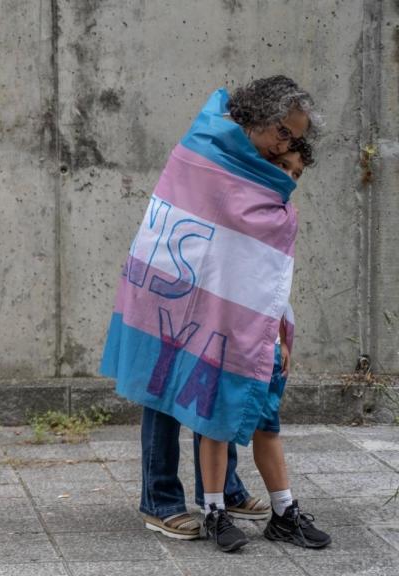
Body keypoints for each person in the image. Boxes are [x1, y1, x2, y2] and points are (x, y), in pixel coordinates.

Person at [102, 75, 320, 551]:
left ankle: (223, 492)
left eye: (296, 137)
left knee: (221, 374)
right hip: (172, 286)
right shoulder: (206, 145)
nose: (289, 143)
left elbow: (251, 244)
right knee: (165, 385)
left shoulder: (265, 165)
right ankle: (159, 501)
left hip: (224, 292)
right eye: (284, 131)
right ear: (259, 116)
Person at [192, 138, 331, 550]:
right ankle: (214, 513)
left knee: (267, 426)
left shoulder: (285, 216)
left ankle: (284, 513)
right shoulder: (231, 207)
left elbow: (277, 281)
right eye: (282, 166)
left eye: (296, 173)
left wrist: (281, 334)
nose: (288, 177)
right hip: (224, 334)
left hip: (264, 338)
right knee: (215, 425)